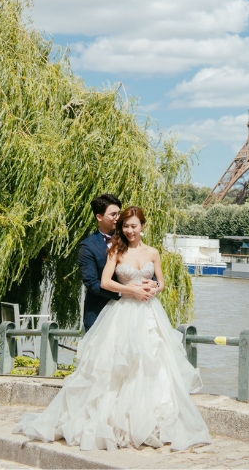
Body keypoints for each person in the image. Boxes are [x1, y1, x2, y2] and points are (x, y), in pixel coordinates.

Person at [16, 206, 211, 451]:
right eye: (126, 226)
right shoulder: (116, 252)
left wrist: (154, 288)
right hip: (124, 311)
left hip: (150, 313)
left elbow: (161, 282)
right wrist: (132, 290)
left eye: (134, 226)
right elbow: (105, 281)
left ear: (142, 226)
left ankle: (152, 421)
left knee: (153, 364)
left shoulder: (153, 252)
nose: (130, 230)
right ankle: (117, 424)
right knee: (118, 366)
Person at [77, 193, 155, 331]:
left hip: (134, 312)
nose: (118, 218)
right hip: (99, 313)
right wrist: (126, 293)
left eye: (119, 213)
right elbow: (91, 283)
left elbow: (144, 267)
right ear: (99, 217)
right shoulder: (87, 246)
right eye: (113, 214)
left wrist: (155, 283)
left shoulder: (129, 236)